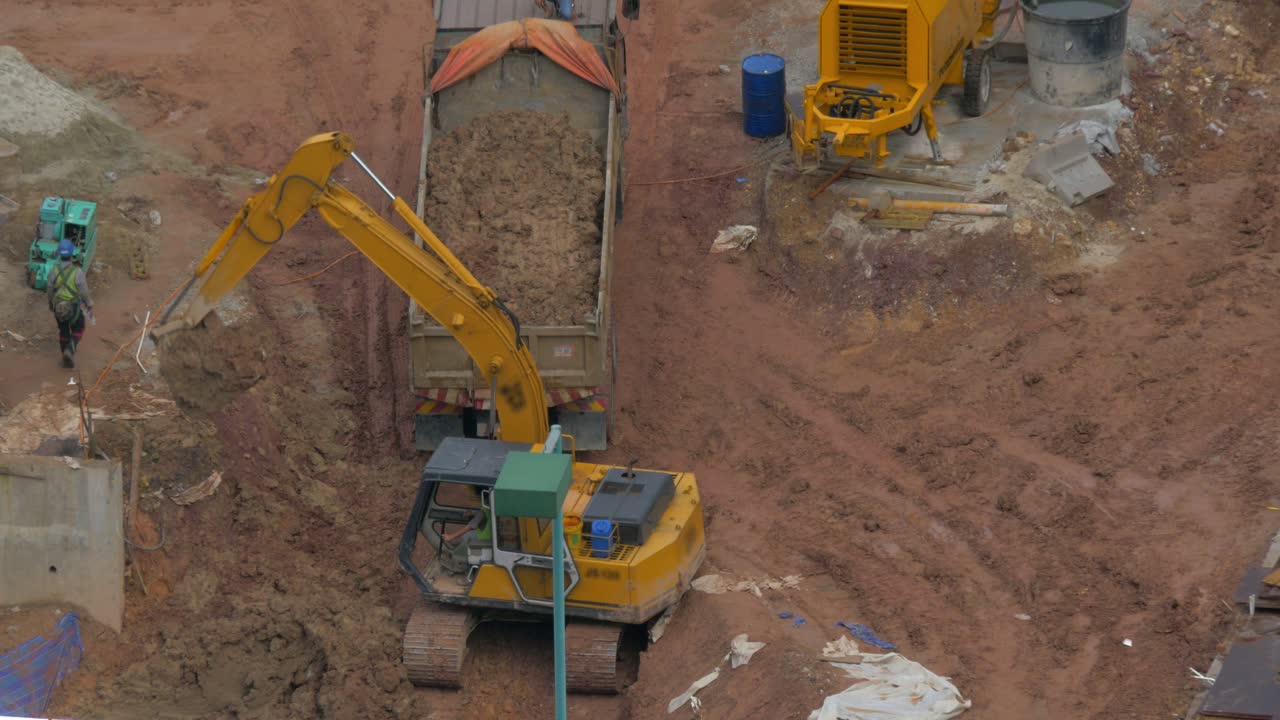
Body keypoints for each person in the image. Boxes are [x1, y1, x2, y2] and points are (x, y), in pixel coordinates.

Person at [46, 239, 93, 369]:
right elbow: (84, 291)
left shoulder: (53, 271)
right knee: (79, 327)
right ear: (72, 253)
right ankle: (69, 350)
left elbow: (49, 290)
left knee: (63, 329)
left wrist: (51, 304)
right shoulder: (77, 272)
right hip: (73, 307)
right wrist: (89, 304)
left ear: (60, 254)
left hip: (58, 307)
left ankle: (64, 355)